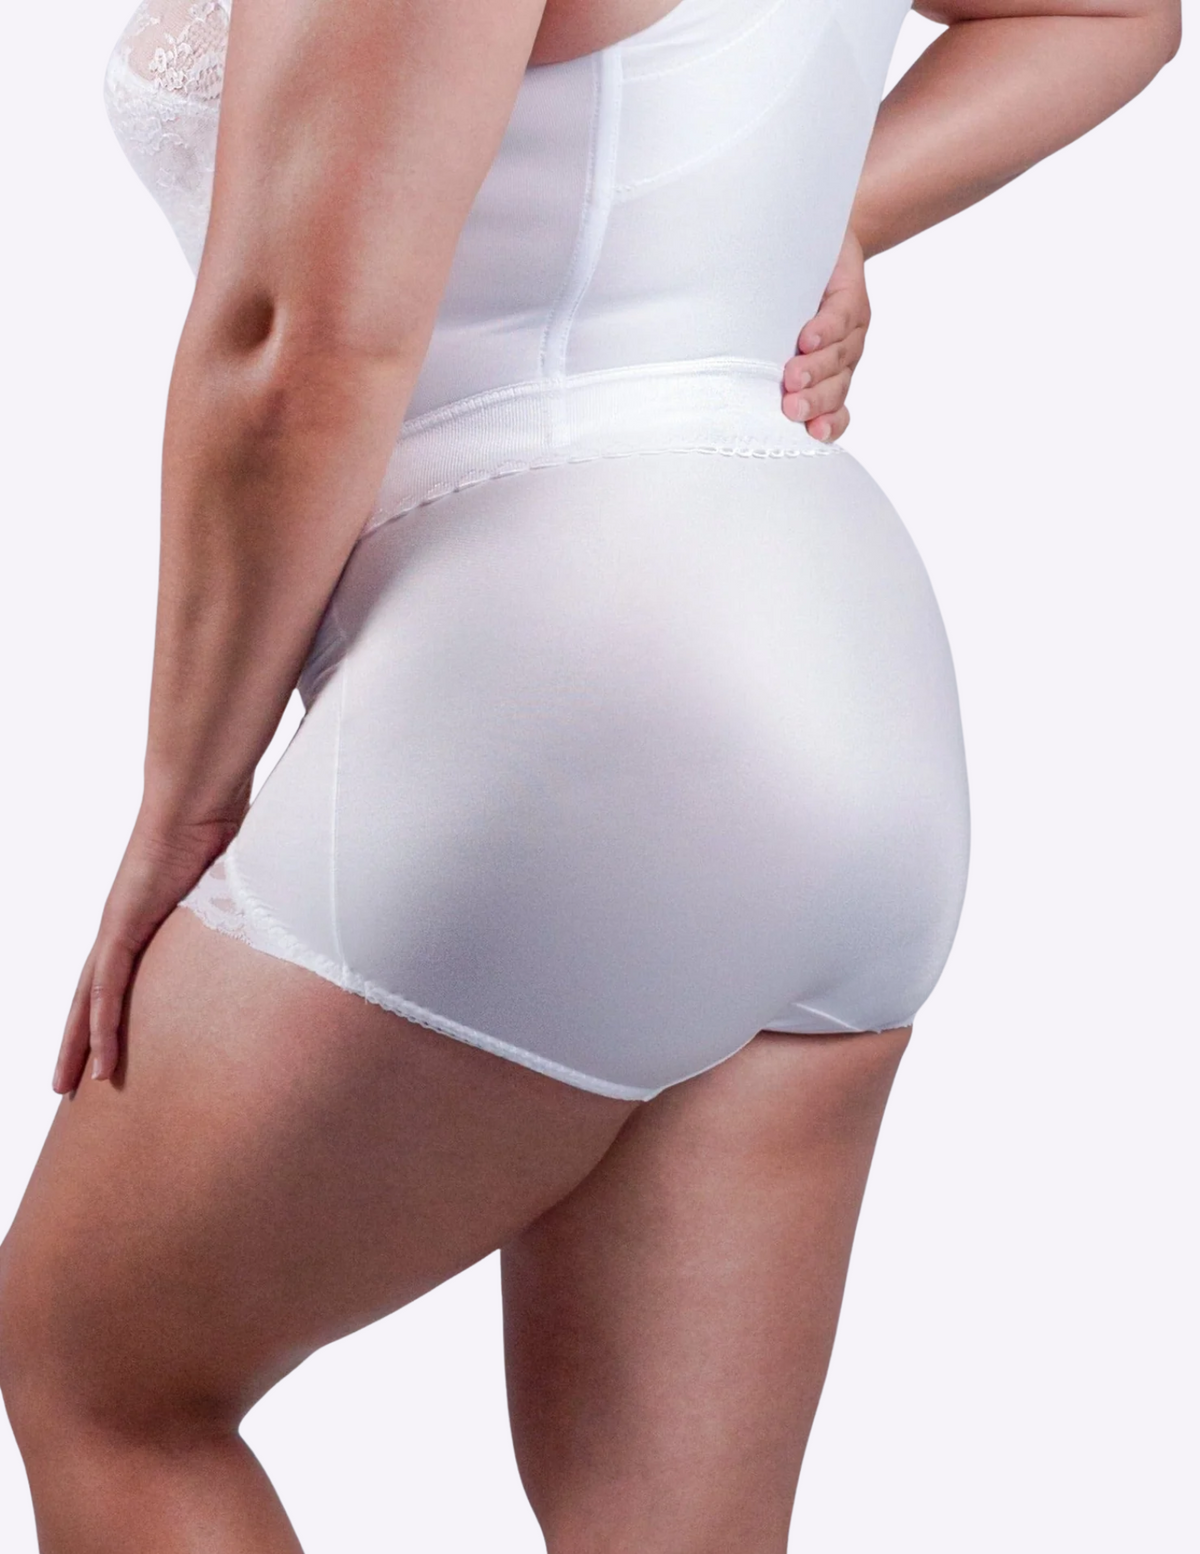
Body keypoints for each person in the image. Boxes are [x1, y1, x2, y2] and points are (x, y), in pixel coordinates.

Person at [0, 0, 1180, 1549]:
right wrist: (809, 210)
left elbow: (300, 342)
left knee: (103, 1372)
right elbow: (1112, 11)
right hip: (837, 644)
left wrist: (187, 798)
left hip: (558, 662)